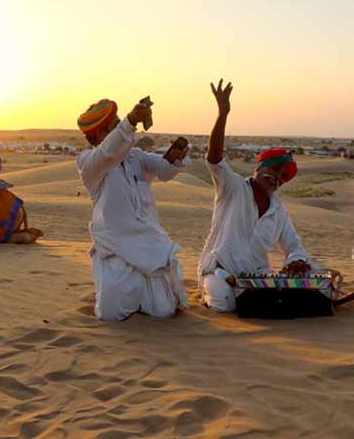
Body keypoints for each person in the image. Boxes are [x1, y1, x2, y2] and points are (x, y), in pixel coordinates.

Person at [198, 79, 310, 312]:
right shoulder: (232, 187)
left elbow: (293, 245)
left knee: (290, 292)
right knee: (226, 302)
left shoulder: (278, 211)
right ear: (259, 168)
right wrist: (223, 114)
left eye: (282, 176)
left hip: (256, 278)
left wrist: (296, 261)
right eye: (274, 169)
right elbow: (215, 158)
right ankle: (208, 296)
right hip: (220, 271)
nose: (277, 177)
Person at [76, 97, 190, 321]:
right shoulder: (89, 163)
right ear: (100, 135)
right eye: (116, 126)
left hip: (149, 245)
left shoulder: (136, 157)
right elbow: (108, 153)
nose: (123, 129)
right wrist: (130, 121)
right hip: (115, 247)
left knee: (163, 310)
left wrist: (174, 157)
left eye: (121, 124)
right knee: (111, 313)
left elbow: (164, 171)